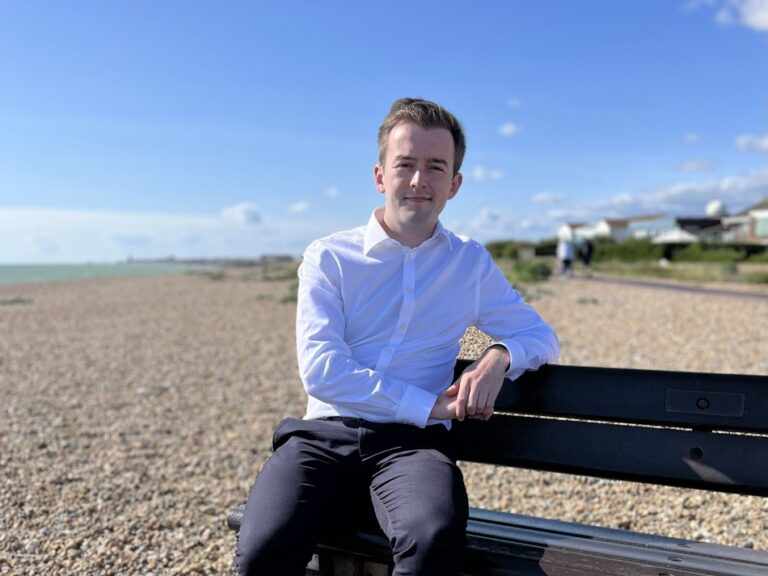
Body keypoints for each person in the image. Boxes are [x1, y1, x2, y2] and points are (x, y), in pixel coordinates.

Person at [236, 98, 560, 576]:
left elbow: (539, 334)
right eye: (405, 164)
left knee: (431, 541)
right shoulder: (330, 257)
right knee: (263, 550)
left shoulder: (468, 263)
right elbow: (324, 370)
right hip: (324, 437)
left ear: (455, 183)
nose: (418, 180)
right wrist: (431, 406)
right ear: (379, 175)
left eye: (435, 167)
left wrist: (497, 355)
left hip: (413, 449)